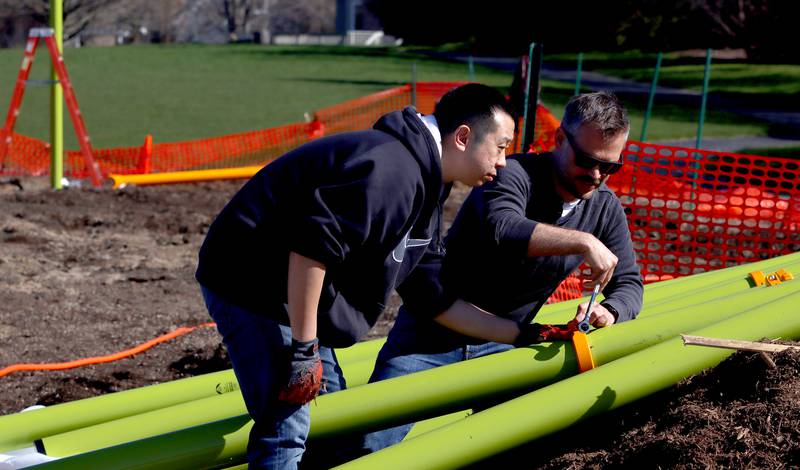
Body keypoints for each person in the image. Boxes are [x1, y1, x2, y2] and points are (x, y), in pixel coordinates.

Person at [195, 83, 517, 469]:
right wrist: (303, 350)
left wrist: (517, 334)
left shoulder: (429, 184)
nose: (503, 163)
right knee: (287, 425)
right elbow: (311, 249)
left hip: (291, 294)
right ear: (463, 136)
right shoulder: (392, 170)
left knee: (332, 420)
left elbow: (429, 292)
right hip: (251, 282)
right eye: (500, 147)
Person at [362, 91, 644, 452]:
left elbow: (630, 283)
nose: (595, 175)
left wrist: (611, 310)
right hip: (428, 335)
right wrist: (584, 242)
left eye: (609, 167)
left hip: (507, 345)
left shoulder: (605, 208)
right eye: (587, 160)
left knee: (502, 450)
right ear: (559, 140)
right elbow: (503, 227)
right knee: (369, 445)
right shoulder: (511, 173)